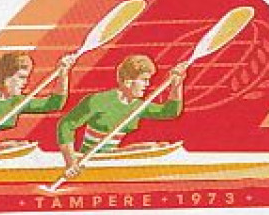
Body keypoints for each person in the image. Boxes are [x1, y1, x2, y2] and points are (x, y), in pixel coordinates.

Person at [55, 54, 185, 177]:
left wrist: (177, 84)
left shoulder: (137, 106)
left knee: (153, 146)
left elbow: (170, 112)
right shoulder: (98, 101)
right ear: (128, 82)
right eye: (144, 80)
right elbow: (66, 125)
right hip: (89, 159)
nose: (148, 85)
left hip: (110, 155)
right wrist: (70, 161)